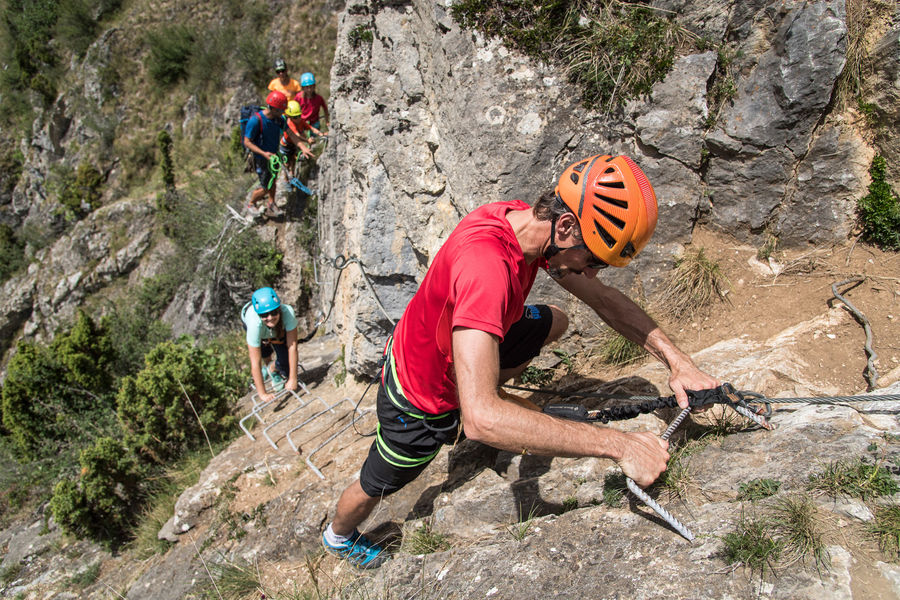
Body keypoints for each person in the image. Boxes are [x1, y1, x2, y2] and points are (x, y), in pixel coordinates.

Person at [320, 154, 720, 568]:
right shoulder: (487, 267)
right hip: (419, 394)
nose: (594, 273)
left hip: (455, 335)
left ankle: (485, 386)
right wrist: (620, 447)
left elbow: (602, 300)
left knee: (554, 320)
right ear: (565, 227)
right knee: (377, 483)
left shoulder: (524, 224)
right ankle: (339, 536)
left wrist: (678, 362)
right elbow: (481, 422)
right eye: (594, 259)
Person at [243, 91, 311, 218]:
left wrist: (302, 146)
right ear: (273, 108)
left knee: (273, 180)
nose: (283, 113)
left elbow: (291, 134)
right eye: (281, 110)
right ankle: (251, 203)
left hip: (273, 156)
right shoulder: (255, 121)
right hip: (261, 158)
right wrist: (264, 154)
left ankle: (271, 202)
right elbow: (247, 142)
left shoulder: (279, 119)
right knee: (265, 186)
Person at [242, 287, 299, 403]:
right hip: (259, 328)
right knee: (264, 351)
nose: (270, 317)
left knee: (286, 365)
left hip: (277, 328)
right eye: (264, 315)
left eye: (273, 313)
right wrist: (262, 394)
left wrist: (293, 378)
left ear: (279, 309)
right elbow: (255, 362)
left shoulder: (287, 312)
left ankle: (273, 368)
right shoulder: (254, 325)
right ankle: (270, 369)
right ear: (259, 315)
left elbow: (292, 347)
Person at [279, 100, 324, 175]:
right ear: (289, 117)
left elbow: (311, 128)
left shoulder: (301, 121)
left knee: (293, 161)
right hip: (286, 145)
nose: (298, 118)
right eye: (295, 117)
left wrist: (320, 133)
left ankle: (292, 175)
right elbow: (297, 136)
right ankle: (287, 178)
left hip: (294, 144)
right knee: (286, 163)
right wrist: (307, 140)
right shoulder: (290, 124)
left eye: (299, 116)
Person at [294, 72, 329, 140]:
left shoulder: (318, 98)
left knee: (314, 141)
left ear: (314, 86)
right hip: (302, 122)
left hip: (314, 123)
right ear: (303, 88)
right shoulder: (298, 97)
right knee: (304, 140)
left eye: (311, 87)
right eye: (306, 87)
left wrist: (327, 121)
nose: (309, 89)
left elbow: (325, 109)